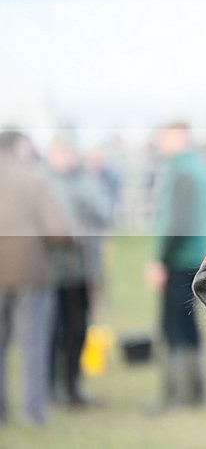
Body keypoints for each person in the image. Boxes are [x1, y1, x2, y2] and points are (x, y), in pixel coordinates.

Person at [0, 130, 71, 424]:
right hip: (31, 272)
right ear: (19, 147)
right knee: (33, 344)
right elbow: (57, 229)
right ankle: (33, 411)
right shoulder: (34, 178)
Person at [145, 123, 206, 410]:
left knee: (173, 326)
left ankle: (176, 395)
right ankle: (196, 392)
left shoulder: (180, 170)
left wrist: (160, 260)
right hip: (198, 255)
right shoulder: (202, 166)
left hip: (179, 258)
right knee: (189, 325)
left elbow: (176, 223)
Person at [48, 136, 111, 407]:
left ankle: (73, 386)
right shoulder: (43, 181)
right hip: (49, 271)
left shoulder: (86, 180)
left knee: (77, 329)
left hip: (81, 269)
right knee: (51, 331)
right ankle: (50, 388)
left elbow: (105, 213)